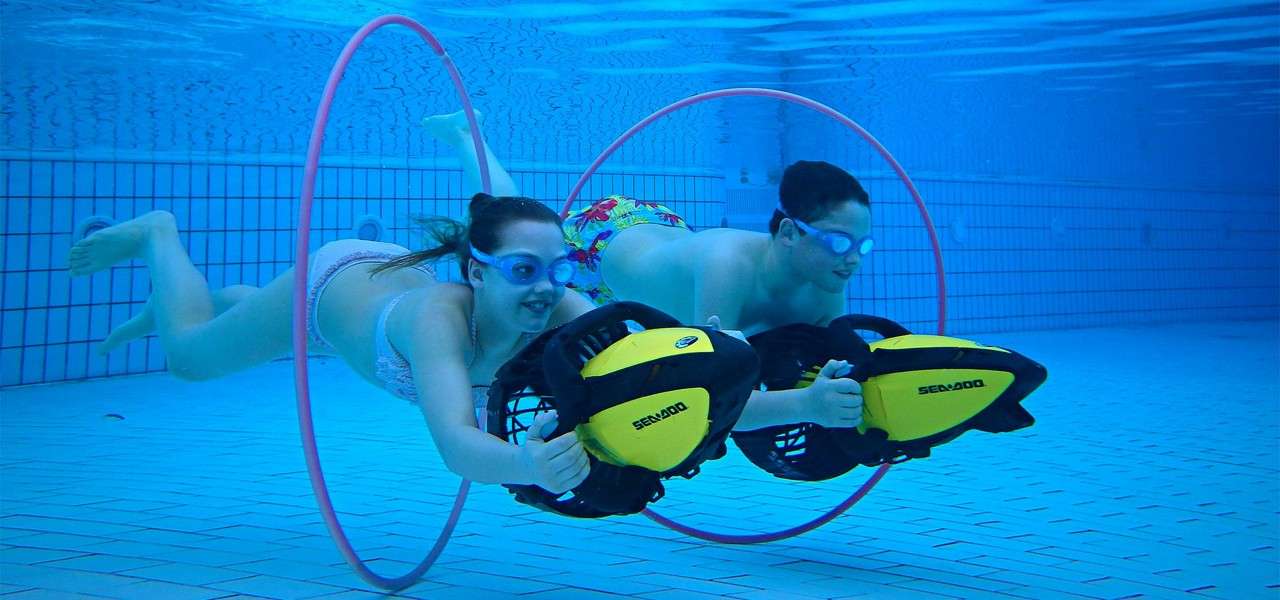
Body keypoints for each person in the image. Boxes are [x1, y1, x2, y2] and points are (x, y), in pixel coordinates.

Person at [68, 194, 600, 494]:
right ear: (476, 274)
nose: (546, 287)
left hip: (369, 313)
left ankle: (228, 303)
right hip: (330, 288)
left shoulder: (566, 307)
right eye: (524, 269)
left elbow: (648, 359)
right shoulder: (441, 320)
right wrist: (528, 467)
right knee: (185, 358)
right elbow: (457, 446)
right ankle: (157, 236)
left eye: (560, 268)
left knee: (294, 337)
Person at [425, 110, 870, 432]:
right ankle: (469, 136)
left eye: (861, 245)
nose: (852, 258)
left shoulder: (826, 285)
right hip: (603, 243)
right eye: (838, 242)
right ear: (790, 232)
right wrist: (806, 405)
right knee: (511, 226)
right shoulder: (726, 268)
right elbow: (709, 395)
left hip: (665, 237)